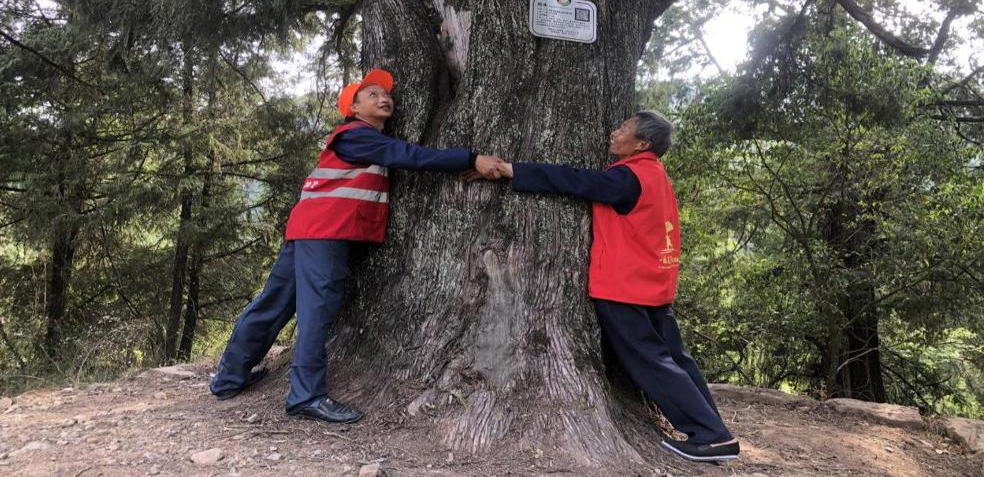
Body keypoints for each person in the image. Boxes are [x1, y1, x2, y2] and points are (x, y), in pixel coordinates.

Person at [210, 68, 503, 423]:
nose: (384, 98)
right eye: (372, 95)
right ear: (353, 108)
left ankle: (229, 378)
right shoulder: (355, 135)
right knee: (315, 311)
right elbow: (410, 155)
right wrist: (471, 159)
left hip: (308, 229)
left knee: (274, 303)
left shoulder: (361, 138)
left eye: (386, 94)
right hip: (324, 233)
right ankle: (306, 396)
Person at [485, 111, 739, 463]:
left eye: (623, 129)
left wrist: (515, 169)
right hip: (653, 284)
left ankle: (710, 437)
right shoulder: (654, 174)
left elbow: (574, 181)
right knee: (676, 360)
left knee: (653, 363)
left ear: (642, 144)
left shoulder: (627, 178)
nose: (614, 132)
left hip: (626, 288)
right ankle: (716, 433)